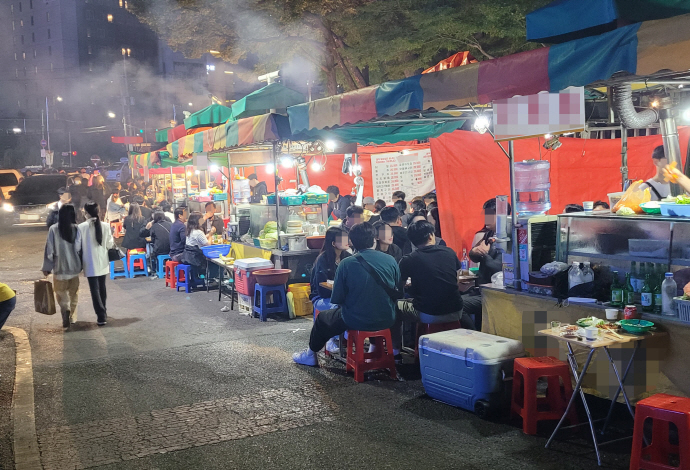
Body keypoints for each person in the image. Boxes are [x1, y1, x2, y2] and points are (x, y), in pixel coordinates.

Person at [293, 222, 400, 367]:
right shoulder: (391, 260)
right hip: (387, 318)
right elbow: (398, 289)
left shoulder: (347, 263)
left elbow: (337, 298)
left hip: (356, 319)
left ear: (353, 242)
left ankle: (310, 354)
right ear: (374, 240)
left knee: (323, 318)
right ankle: (375, 349)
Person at [393, 221, 474, 355]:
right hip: (456, 310)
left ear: (412, 241)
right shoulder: (449, 252)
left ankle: (396, 352)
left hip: (428, 313)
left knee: (395, 307)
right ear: (431, 235)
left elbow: (399, 288)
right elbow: (456, 278)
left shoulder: (409, 259)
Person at [42, 204, 82, 327]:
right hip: (74, 267)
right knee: (74, 293)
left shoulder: (53, 229)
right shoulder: (77, 228)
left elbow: (50, 250)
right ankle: (72, 317)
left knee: (60, 292)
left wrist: (47, 267)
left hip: (59, 268)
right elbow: (79, 248)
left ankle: (65, 309)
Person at [76, 202, 115, 326]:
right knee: (102, 287)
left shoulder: (81, 227)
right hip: (103, 261)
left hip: (89, 261)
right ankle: (104, 311)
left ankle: (101, 315)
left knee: (94, 289)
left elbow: (77, 246)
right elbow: (110, 244)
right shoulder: (105, 226)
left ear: (86, 213)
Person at [310, 227, 351, 305]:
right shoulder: (323, 259)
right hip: (321, 297)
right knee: (341, 308)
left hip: (341, 296)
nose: (347, 241)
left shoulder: (348, 257)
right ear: (333, 243)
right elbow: (321, 288)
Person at [140, 211, 172, 278]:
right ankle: (170, 269)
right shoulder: (170, 224)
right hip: (171, 249)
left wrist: (147, 228)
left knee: (152, 252)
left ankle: (154, 270)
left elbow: (152, 239)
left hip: (160, 250)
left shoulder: (154, 226)